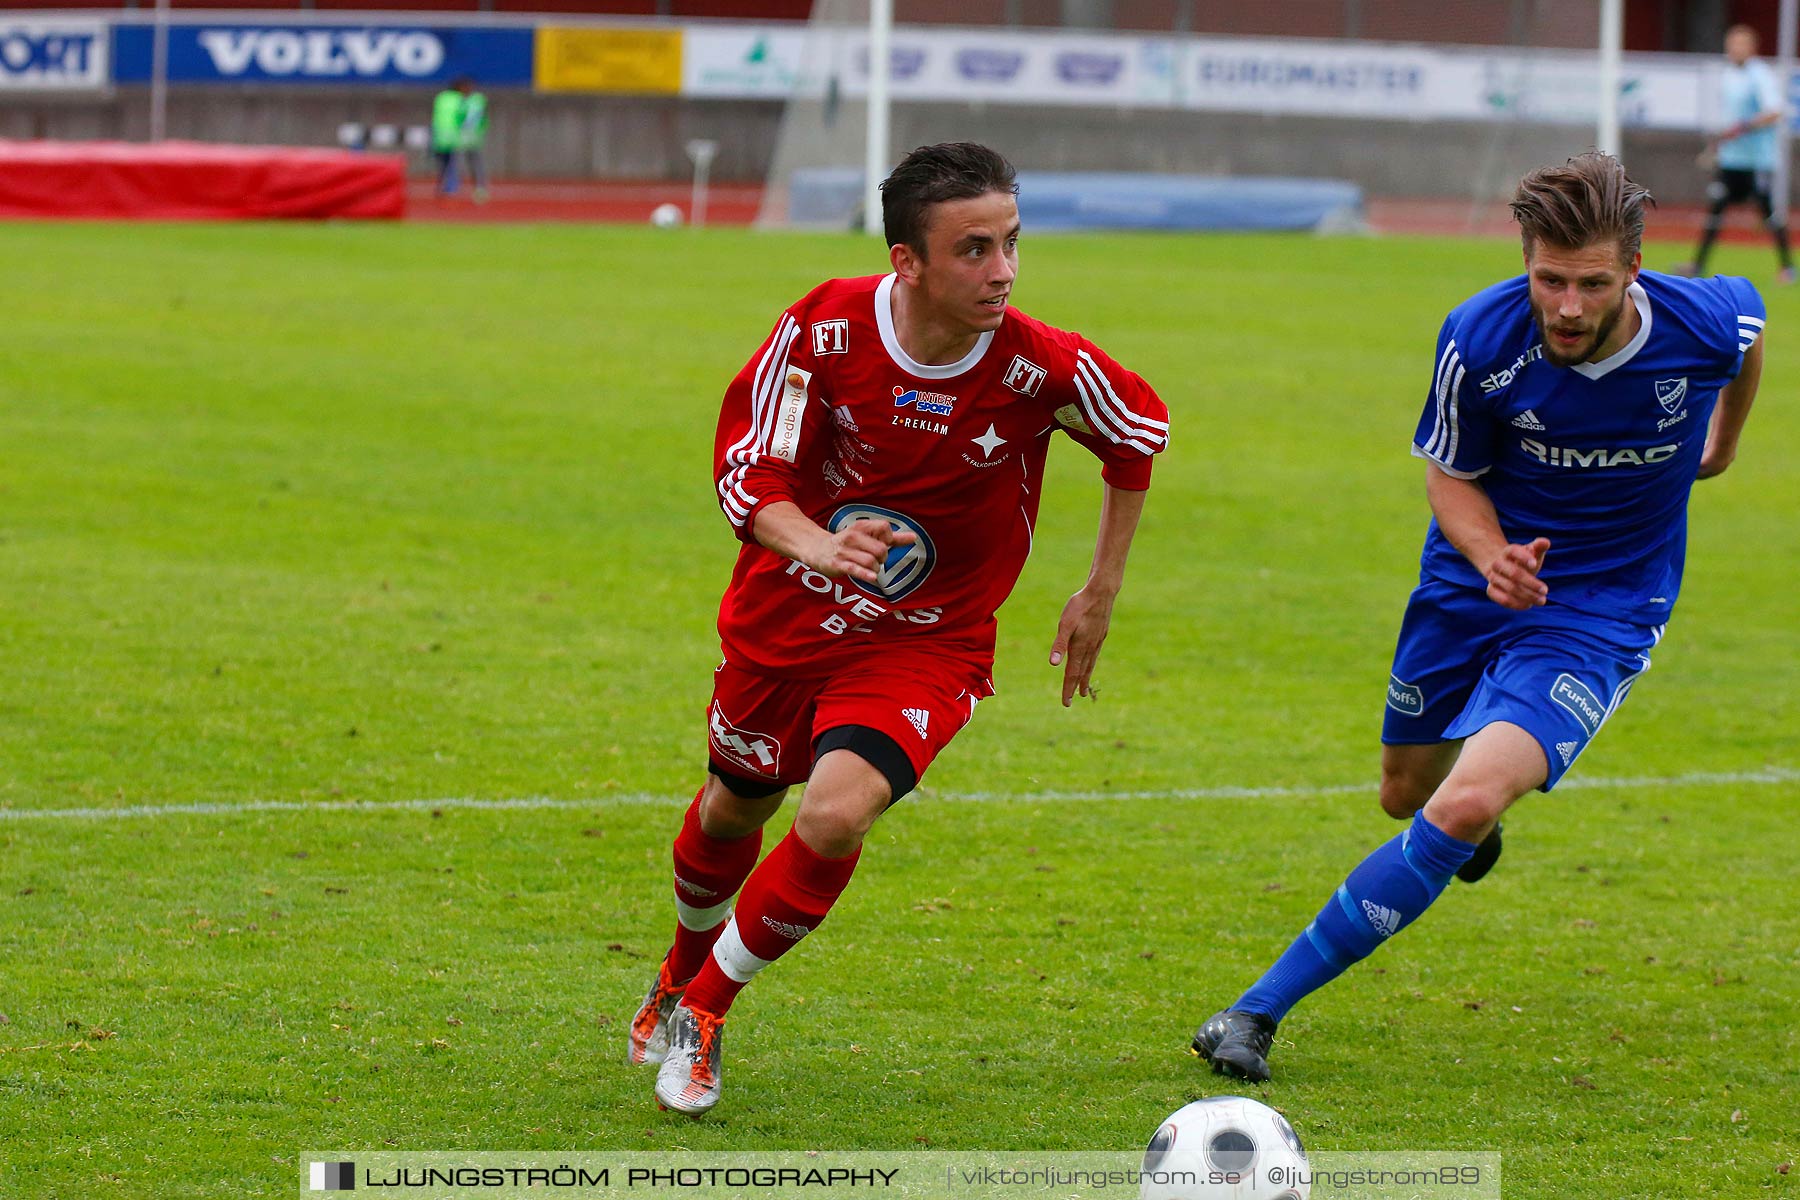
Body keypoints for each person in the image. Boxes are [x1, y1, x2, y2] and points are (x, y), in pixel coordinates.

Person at [1194, 151, 1764, 1083]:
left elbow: (1750, 338)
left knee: (1460, 798)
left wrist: (1723, 443)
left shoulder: (1703, 318)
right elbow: (1450, 474)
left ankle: (1255, 1011)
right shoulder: (1480, 337)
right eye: (1550, 280)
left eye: (1592, 284)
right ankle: (1467, 823)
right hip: (1471, 579)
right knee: (1407, 790)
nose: (1568, 307)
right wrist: (1489, 555)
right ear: (1526, 259)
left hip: (1604, 610)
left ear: (1634, 271)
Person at [628, 142, 1170, 1115]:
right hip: (788, 619)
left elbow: (1137, 433)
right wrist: (814, 547)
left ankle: (706, 1010)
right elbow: (749, 471)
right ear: (906, 262)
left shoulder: (1038, 364)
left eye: (1011, 243)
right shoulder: (825, 329)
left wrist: (1101, 589)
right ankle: (676, 969)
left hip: (929, 637)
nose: (1001, 271)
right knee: (732, 809)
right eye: (973, 250)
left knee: (834, 812)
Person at [1679, 24, 1794, 282]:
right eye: (1731, 44)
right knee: (1716, 209)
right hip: (1731, 159)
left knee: (1768, 213)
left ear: (1752, 48)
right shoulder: (1728, 74)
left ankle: (1787, 267)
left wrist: (1744, 126)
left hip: (1757, 160)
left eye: (1740, 44)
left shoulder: (1760, 75)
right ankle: (1697, 266)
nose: (1734, 49)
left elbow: (1775, 112)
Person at [431, 77, 471, 197]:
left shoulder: (441, 97)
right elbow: (463, 117)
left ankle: (440, 185)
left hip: (438, 133)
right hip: (451, 134)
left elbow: (435, 114)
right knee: (451, 162)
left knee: (442, 163)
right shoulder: (460, 99)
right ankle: (451, 187)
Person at [459, 83, 489, 203]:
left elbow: (468, 118)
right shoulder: (477, 100)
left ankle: (479, 187)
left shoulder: (469, 101)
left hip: (469, 135)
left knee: (474, 161)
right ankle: (479, 187)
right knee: (475, 162)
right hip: (473, 134)